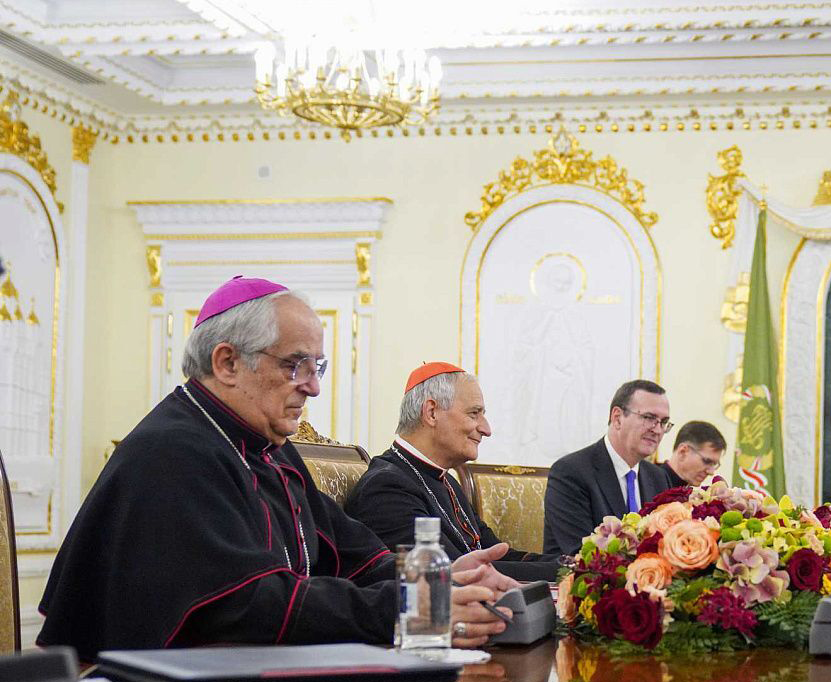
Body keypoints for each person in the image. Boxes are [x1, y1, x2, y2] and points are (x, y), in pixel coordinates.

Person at [37, 277, 513, 659]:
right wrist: (412, 607)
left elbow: (349, 551)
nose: (313, 387)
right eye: (295, 365)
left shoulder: (268, 447)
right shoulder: (174, 453)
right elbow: (246, 605)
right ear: (227, 362)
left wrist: (436, 578)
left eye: (318, 367)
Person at [345, 361, 558, 583]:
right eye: (474, 414)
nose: (486, 429)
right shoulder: (386, 489)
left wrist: (575, 565)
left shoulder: (445, 481)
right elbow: (455, 573)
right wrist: (573, 573)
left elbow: (499, 554)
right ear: (432, 412)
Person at [542, 378, 675, 557]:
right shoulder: (570, 473)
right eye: (649, 418)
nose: (657, 430)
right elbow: (582, 553)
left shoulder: (658, 477)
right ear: (617, 418)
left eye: (664, 422)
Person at [661, 420, 728, 487]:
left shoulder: (694, 494)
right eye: (707, 461)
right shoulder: (652, 484)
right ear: (683, 452)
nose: (711, 472)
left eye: (714, 464)